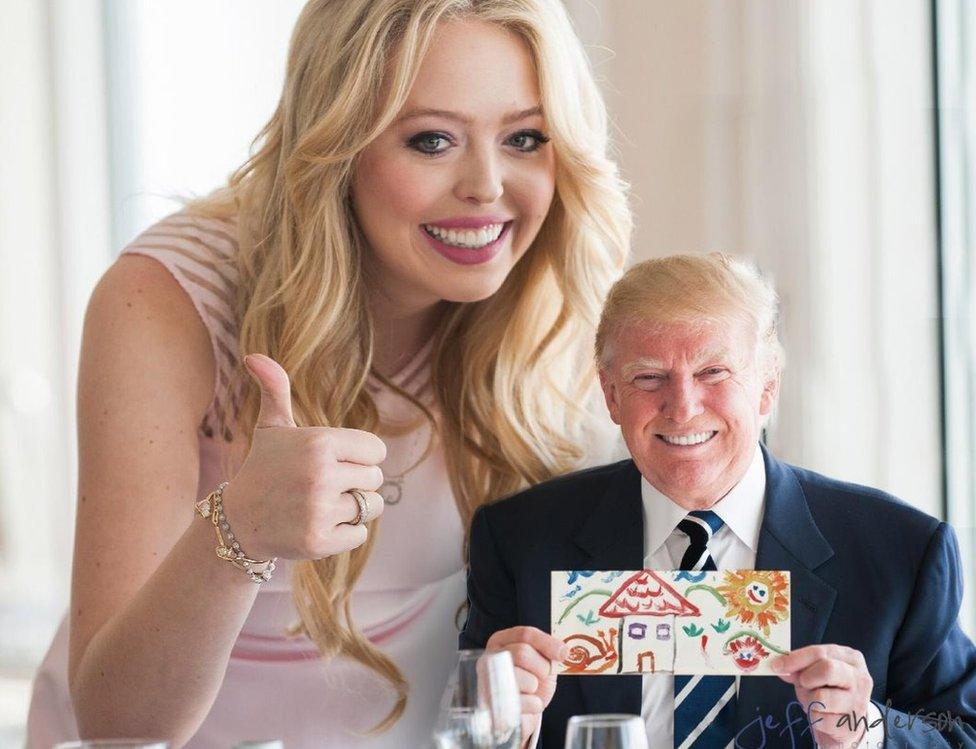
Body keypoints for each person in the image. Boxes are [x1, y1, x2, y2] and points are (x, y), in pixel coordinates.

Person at [26, 1, 631, 746]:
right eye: (432, 139)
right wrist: (242, 527)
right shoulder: (166, 299)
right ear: (338, 144)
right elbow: (118, 720)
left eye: (525, 137)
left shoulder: (556, 300)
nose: (487, 185)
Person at [460, 254, 976, 749]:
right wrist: (501, 732)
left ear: (767, 388)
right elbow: (470, 734)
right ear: (611, 396)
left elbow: (963, 734)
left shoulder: (901, 551)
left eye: (714, 373)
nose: (683, 408)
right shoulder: (517, 540)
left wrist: (867, 732)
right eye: (649, 377)